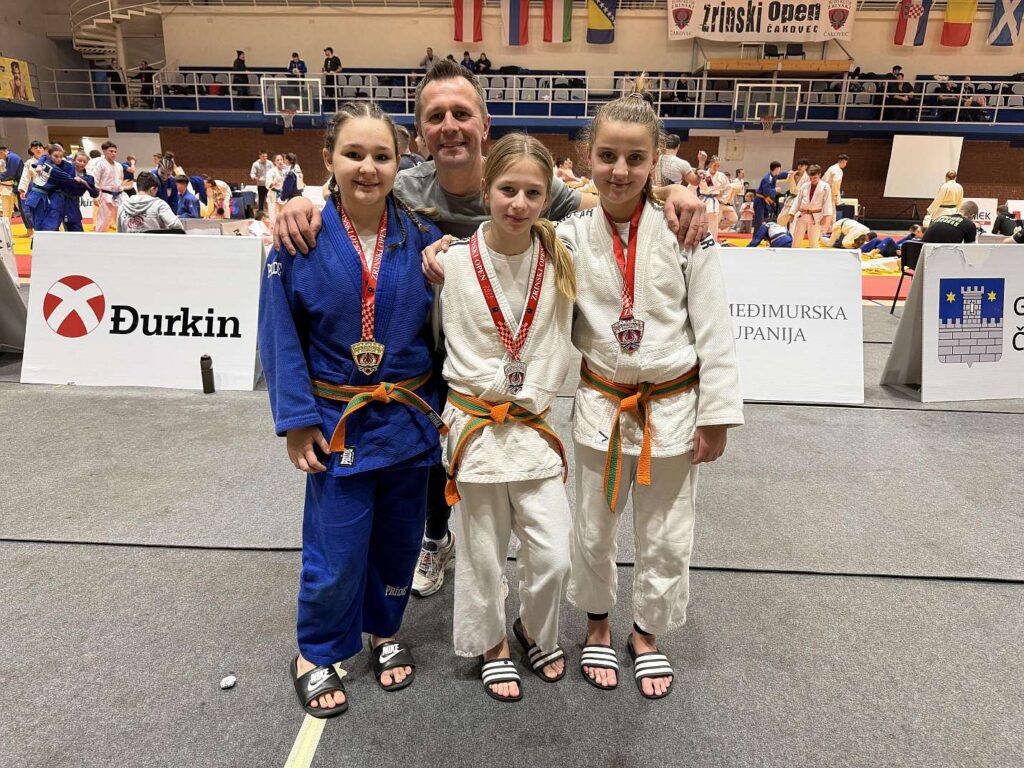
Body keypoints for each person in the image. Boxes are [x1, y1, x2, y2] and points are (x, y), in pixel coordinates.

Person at [274, 59, 709, 599]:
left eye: (461, 113)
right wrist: (304, 200)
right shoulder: (403, 185)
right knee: (428, 460)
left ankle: (480, 549)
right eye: (436, 116)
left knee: (488, 457)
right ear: (420, 133)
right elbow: (351, 187)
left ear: (485, 123)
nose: (449, 126)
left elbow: (609, 199)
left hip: (496, 344)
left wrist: (670, 195)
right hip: (417, 344)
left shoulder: (523, 177)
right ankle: (436, 536)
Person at [556, 76, 743, 699]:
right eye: (608, 155)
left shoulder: (687, 229)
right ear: (588, 155)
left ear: (656, 160)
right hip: (603, 404)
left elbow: (714, 325)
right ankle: (598, 623)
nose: (620, 170)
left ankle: (647, 633)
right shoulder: (568, 234)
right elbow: (508, 233)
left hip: (673, 404)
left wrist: (717, 413)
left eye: (636, 158)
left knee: (666, 534)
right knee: (592, 528)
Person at [258, 101, 445, 719]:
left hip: (408, 418)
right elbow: (279, 333)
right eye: (354, 154)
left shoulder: (424, 238)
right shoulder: (297, 239)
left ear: (400, 162)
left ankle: (384, 629)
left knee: (397, 541)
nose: (368, 167)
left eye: (382, 156)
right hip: (336, 421)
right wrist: (295, 421)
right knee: (335, 547)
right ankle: (315, 651)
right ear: (328, 160)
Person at [437, 134, 575, 701]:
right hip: (477, 425)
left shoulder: (560, 257)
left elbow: (558, 345)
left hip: (533, 426)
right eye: (507, 189)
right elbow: (459, 350)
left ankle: (532, 628)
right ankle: (491, 641)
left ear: (548, 197)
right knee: (482, 552)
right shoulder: (454, 262)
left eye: (533, 193)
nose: (519, 203)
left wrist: (672, 192)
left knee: (554, 554)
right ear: (486, 189)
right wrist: (504, 389)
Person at [39, 150, 100, 232]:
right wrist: (39, 165)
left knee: (77, 230)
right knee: (51, 227)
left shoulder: (89, 177)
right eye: (79, 160)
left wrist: (85, 183)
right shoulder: (65, 166)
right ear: (74, 160)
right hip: (58, 199)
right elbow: (46, 157)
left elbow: (94, 194)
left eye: (84, 162)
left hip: (73, 203)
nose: (82, 163)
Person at [117, 171, 183, 233]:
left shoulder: (122, 206)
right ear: (152, 189)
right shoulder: (159, 205)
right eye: (156, 190)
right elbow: (178, 226)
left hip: (129, 241)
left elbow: (119, 234)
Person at [787, 164, 834, 248]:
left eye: (815, 178)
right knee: (796, 238)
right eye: (811, 178)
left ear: (819, 175)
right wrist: (792, 214)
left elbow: (827, 203)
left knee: (814, 240)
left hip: (816, 216)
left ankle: (814, 255)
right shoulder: (805, 186)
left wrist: (825, 217)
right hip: (802, 214)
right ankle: (794, 253)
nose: (812, 180)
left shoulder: (825, 186)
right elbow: (798, 200)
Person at [88, 141, 123, 233]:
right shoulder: (100, 164)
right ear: (104, 151)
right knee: (104, 219)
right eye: (111, 151)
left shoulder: (119, 165)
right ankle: (99, 236)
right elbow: (95, 181)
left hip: (119, 195)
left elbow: (120, 180)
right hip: (106, 195)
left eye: (115, 152)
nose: (113, 153)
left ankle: (121, 235)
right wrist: (95, 196)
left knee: (121, 217)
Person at [17, 142, 46, 237]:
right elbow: (25, 176)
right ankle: (37, 232)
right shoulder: (29, 163)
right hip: (37, 189)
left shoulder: (49, 159)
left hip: (51, 189)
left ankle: (58, 232)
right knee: (36, 211)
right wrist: (23, 190)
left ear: (43, 149)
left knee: (53, 211)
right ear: (31, 150)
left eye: (40, 147)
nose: (38, 149)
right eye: (35, 148)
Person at [753, 161, 790, 232]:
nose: (779, 171)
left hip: (765, 201)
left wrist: (789, 173)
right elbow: (766, 192)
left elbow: (781, 175)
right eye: (779, 169)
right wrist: (775, 190)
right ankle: (756, 237)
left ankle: (763, 236)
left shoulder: (773, 176)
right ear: (776, 169)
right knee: (759, 221)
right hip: (760, 200)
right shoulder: (767, 179)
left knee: (766, 221)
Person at [698, 156, 730, 238]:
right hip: (703, 200)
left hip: (714, 201)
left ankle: (714, 240)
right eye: (715, 165)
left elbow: (728, 188)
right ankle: (700, 239)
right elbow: (694, 185)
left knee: (713, 222)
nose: (716, 168)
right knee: (701, 221)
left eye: (718, 166)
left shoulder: (721, 176)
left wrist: (722, 198)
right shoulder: (704, 174)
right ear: (710, 164)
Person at [821, 154, 847, 232]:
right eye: (845, 163)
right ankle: (828, 229)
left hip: (823, 190)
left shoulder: (831, 167)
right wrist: (835, 195)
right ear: (842, 161)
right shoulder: (838, 170)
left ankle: (825, 228)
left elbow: (823, 179)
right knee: (831, 212)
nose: (845, 165)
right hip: (830, 192)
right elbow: (836, 182)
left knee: (825, 210)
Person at [0, 146, 24, 221]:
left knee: (24, 210)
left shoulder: (12, 157)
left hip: (16, 187)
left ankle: (33, 228)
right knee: (6, 212)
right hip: (8, 187)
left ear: (1, 152)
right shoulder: (8, 158)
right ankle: (6, 229)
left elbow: (10, 173)